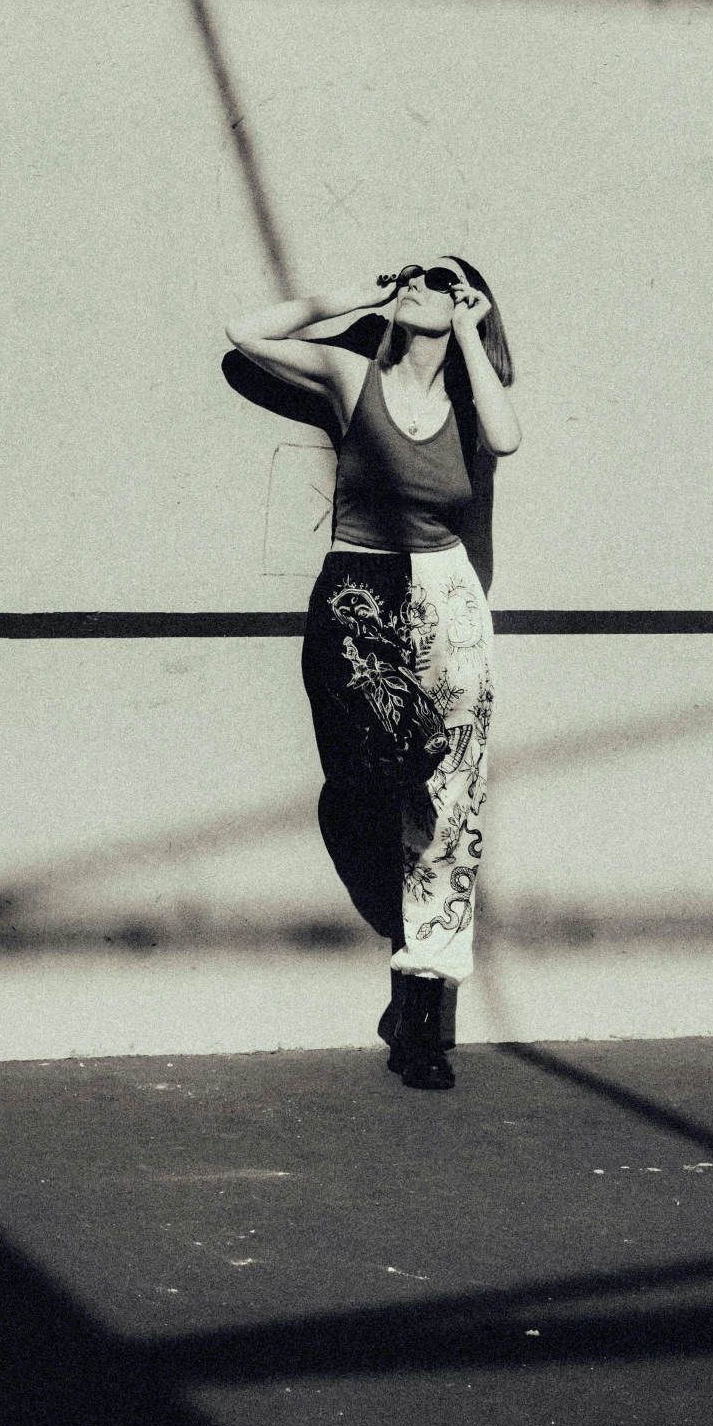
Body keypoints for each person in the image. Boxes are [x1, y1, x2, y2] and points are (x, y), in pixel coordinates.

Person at [226, 258, 520, 1089]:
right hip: (357, 588)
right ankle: (412, 957)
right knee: (371, 769)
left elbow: (505, 437)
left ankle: (420, 1008)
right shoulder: (352, 374)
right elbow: (244, 333)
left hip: (446, 592)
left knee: (451, 800)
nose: (426, 284)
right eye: (419, 276)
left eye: (447, 280)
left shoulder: (468, 404)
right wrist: (364, 293)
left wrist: (467, 330)